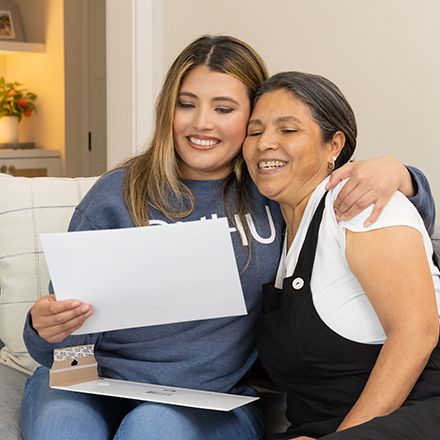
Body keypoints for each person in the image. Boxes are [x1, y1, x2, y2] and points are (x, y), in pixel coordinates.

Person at [21, 35, 434, 440]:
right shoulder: (116, 194)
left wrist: (402, 175)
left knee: (152, 429)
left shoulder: (272, 188)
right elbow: (66, 343)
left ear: (249, 116)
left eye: (224, 108)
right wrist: (44, 332)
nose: (202, 122)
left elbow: (383, 217)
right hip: (96, 382)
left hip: (205, 398)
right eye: (186, 105)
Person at [243, 70, 440, 440]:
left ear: (334, 145)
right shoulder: (276, 231)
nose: (265, 142)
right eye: (254, 131)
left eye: (288, 130)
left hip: (417, 413)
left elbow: (417, 331)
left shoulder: (358, 203)